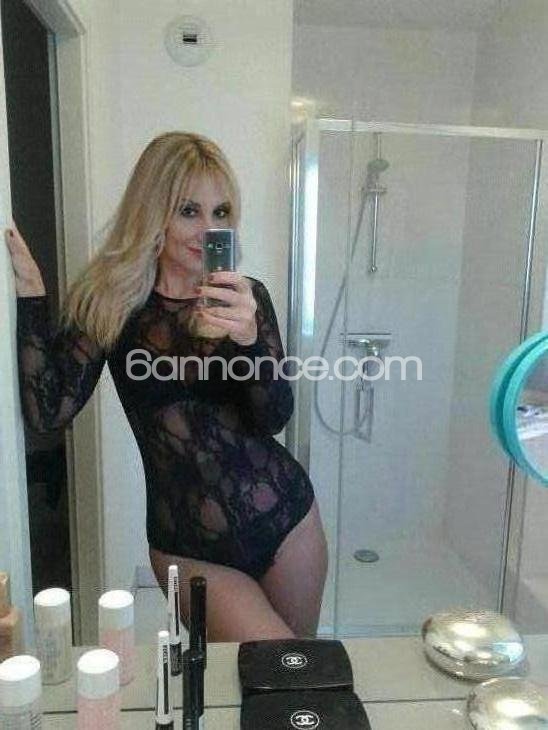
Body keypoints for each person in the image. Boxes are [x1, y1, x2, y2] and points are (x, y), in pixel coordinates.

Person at [6, 132, 328, 641]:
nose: (208, 228)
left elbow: (273, 418)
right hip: (191, 548)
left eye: (220, 212)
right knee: (273, 665)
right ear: (153, 213)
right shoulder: (110, 305)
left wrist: (248, 340)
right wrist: (29, 295)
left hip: (287, 521)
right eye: (189, 211)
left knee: (295, 673)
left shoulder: (246, 299)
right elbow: (49, 411)